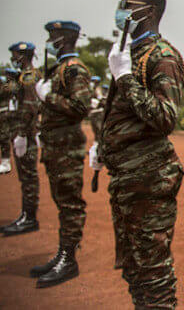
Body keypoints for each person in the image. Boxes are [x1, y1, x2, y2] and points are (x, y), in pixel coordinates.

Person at [92, 0, 184, 309]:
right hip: (127, 180)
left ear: (150, 12)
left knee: (153, 272)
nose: (121, 14)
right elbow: (121, 114)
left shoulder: (162, 56)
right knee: (134, 269)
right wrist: (102, 145)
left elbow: (165, 117)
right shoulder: (130, 54)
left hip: (149, 180)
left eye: (127, 7)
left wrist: (126, 78)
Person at [32, 21, 91, 287]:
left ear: (64, 40)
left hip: (67, 149)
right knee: (62, 202)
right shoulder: (59, 69)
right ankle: (62, 253)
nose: (49, 41)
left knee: (70, 205)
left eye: (53, 37)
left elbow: (80, 107)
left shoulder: (74, 69)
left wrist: (48, 98)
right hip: (56, 148)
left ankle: (68, 259)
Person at [2, 43, 42, 236]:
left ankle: (30, 217)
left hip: (26, 133)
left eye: (15, 55)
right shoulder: (22, 75)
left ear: (23, 55)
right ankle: (25, 214)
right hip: (21, 131)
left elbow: (30, 106)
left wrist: (22, 134)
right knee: (24, 176)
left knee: (28, 177)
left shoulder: (30, 75)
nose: (13, 57)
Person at [0, 67, 20, 175]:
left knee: (5, 137)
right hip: (5, 113)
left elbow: (7, 91)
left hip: (5, 114)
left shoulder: (9, 85)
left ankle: (6, 162)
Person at [88, 75, 106, 141]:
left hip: (99, 112)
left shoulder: (99, 90)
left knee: (100, 129)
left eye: (96, 82)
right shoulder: (89, 90)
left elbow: (102, 101)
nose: (94, 83)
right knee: (95, 130)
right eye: (93, 81)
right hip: (92, 113)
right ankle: (97, 145)